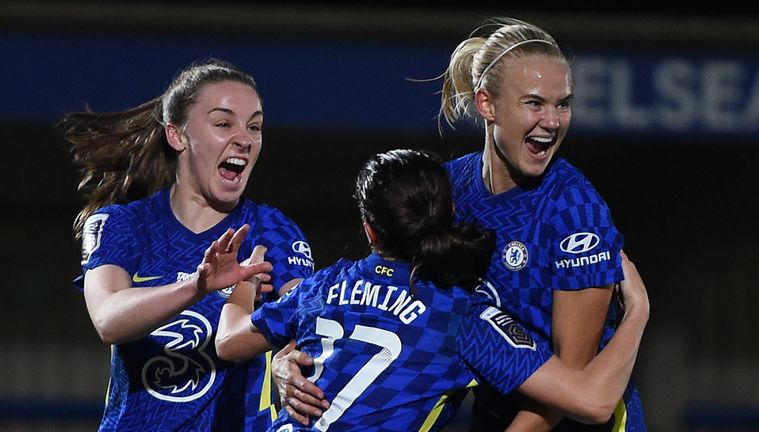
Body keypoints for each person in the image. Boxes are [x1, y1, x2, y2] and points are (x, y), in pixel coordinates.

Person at [272, 17, 647, 432]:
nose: (553, 121)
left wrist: (638, 311)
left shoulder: (576, 213)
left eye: (563, 104)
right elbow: (373, 296)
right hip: (493, 414)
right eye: (535, 103)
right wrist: (288, 360)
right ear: (487, 104)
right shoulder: (448, 188)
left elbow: (573, 387)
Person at [216, 148, 649, 432]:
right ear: (452, 212)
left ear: (369, 230)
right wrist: (637, 313)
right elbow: (593, 403)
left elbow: (230, 342)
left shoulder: (322, 285)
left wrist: (243, 283)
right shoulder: (459, 317)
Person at [60, 58, 314, 431]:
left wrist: (286, 360)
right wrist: (199, 286)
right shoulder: (123, 224)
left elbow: (306, 321)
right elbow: (108, 319)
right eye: (224, 123)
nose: (244, 139)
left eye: (255, 126)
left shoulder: (271, 230)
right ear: (177, 135)